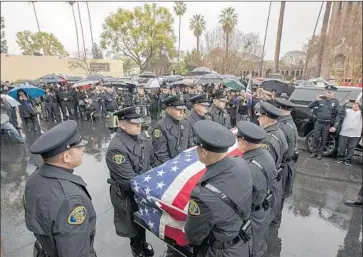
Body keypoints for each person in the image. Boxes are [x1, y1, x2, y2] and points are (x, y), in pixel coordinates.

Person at [23, 120, 97, 257]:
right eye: (79, 146)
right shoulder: (71, 199)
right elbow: (75, 252)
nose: (83, 149)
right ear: (67, 156)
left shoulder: (35, 178)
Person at [184, 120, 253, 257]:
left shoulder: (202, 195)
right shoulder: (241, 163)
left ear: (203, 152)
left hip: (220, 252)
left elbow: (194, 236)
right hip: (243, 242)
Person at [105, 106, 155, 257]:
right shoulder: (117, 148)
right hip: (127, 193)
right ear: (122, 124)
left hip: (143, 187)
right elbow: (128, 181)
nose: (139, 125)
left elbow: (152, 161)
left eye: (139, 122)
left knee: (142, 219)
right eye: (134, 123)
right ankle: (137, 248)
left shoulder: (142, 137)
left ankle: (142, 242)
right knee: (133, 222)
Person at [236, 121, 276, 257]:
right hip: (263, 207)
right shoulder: (266, 155)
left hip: (252, 214)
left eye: (238, 140)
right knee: (259, 240)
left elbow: (240, 199)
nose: (237, 143)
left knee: (253, 247)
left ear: (245, 143)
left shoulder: (246, 167)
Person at [256, 101, 288, 227]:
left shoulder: (266, 139)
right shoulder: (278, 132)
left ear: (266, 118)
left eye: (260, 116)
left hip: (269, 184)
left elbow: (264, 168)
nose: (258, 119)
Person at [274, 98, 299, 224]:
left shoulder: (282, 126)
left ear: (281, 109)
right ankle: (277, 217)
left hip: (284, 164)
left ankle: (275, 219)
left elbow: (280, 150)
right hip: (290, 163)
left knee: (278, 193)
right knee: (282, 194)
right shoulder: (290, 123)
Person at [151, 95, 192, 166]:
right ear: (168, 109)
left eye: (183, 110)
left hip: (184, 163)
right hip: (171, 167)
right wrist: (174, 167)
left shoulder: (184, 123)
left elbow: (189, 144)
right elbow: (161, 154)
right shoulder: (160, 127)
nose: (182, 113)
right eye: (178, 110)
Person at [308, 85, 340, 160]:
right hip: (318, 122)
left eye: (330, 92)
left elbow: (338, 115)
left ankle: (320, 153)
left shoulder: (335, 102)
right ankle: (314, 152)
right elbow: (309, 106)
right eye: (327, 92)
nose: (328, 93)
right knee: (315, 138)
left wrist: (335, 126)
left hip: (327, 124)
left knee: (324, 139)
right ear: (325, 92)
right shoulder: (320, 100)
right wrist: (316, 100)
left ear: (333, 93)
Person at [334, 101, 362, 166]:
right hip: (344, 132)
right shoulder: (347, 111)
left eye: (357, 105)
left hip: (356, 134)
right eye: (354, 104)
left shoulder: (361, 113)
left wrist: (360, 104)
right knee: (342, 147)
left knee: (351, 148)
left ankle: (348, 160)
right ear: (352, 105)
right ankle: (340, 159)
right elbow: (340, 110)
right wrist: (345, 103)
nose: (355, 105)